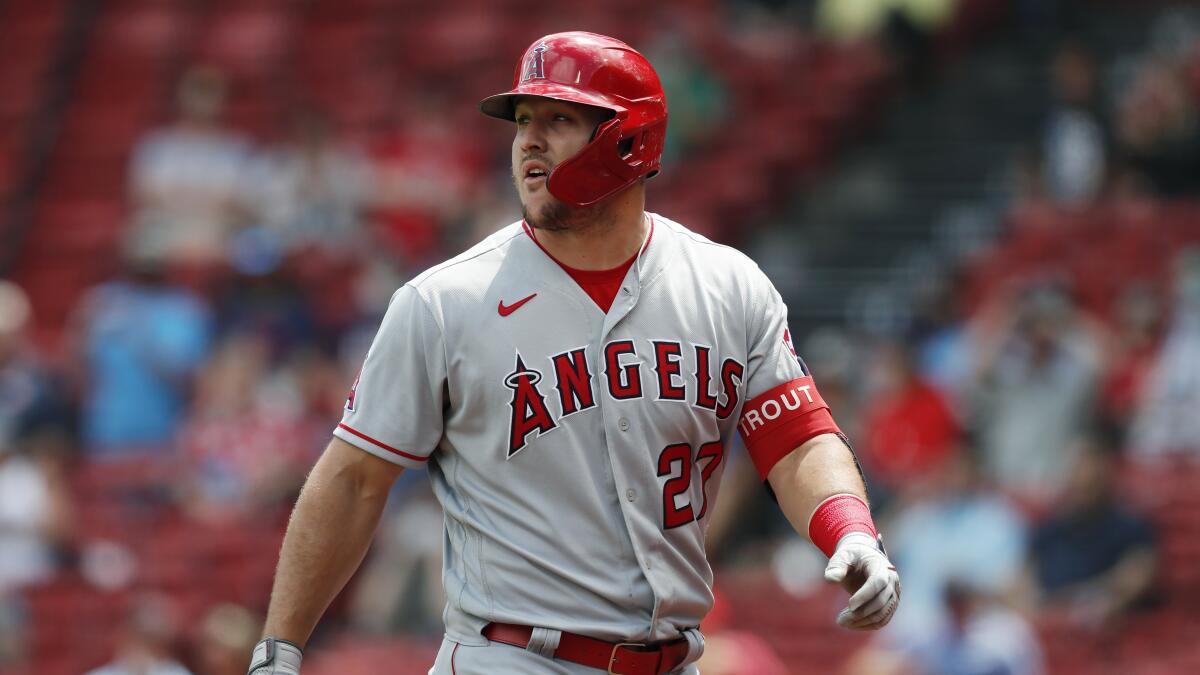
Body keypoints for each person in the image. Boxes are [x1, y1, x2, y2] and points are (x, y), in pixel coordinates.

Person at [249, 32, 900, 675]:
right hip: (511, 657)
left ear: (630, 136)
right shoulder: (444, 303)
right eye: (523, 121)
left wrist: (850, 531)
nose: (527, 140)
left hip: (674, 659)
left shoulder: (728, 286)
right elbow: (353, 478)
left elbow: (795, 439)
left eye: (558, 119)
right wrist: (278, 651)